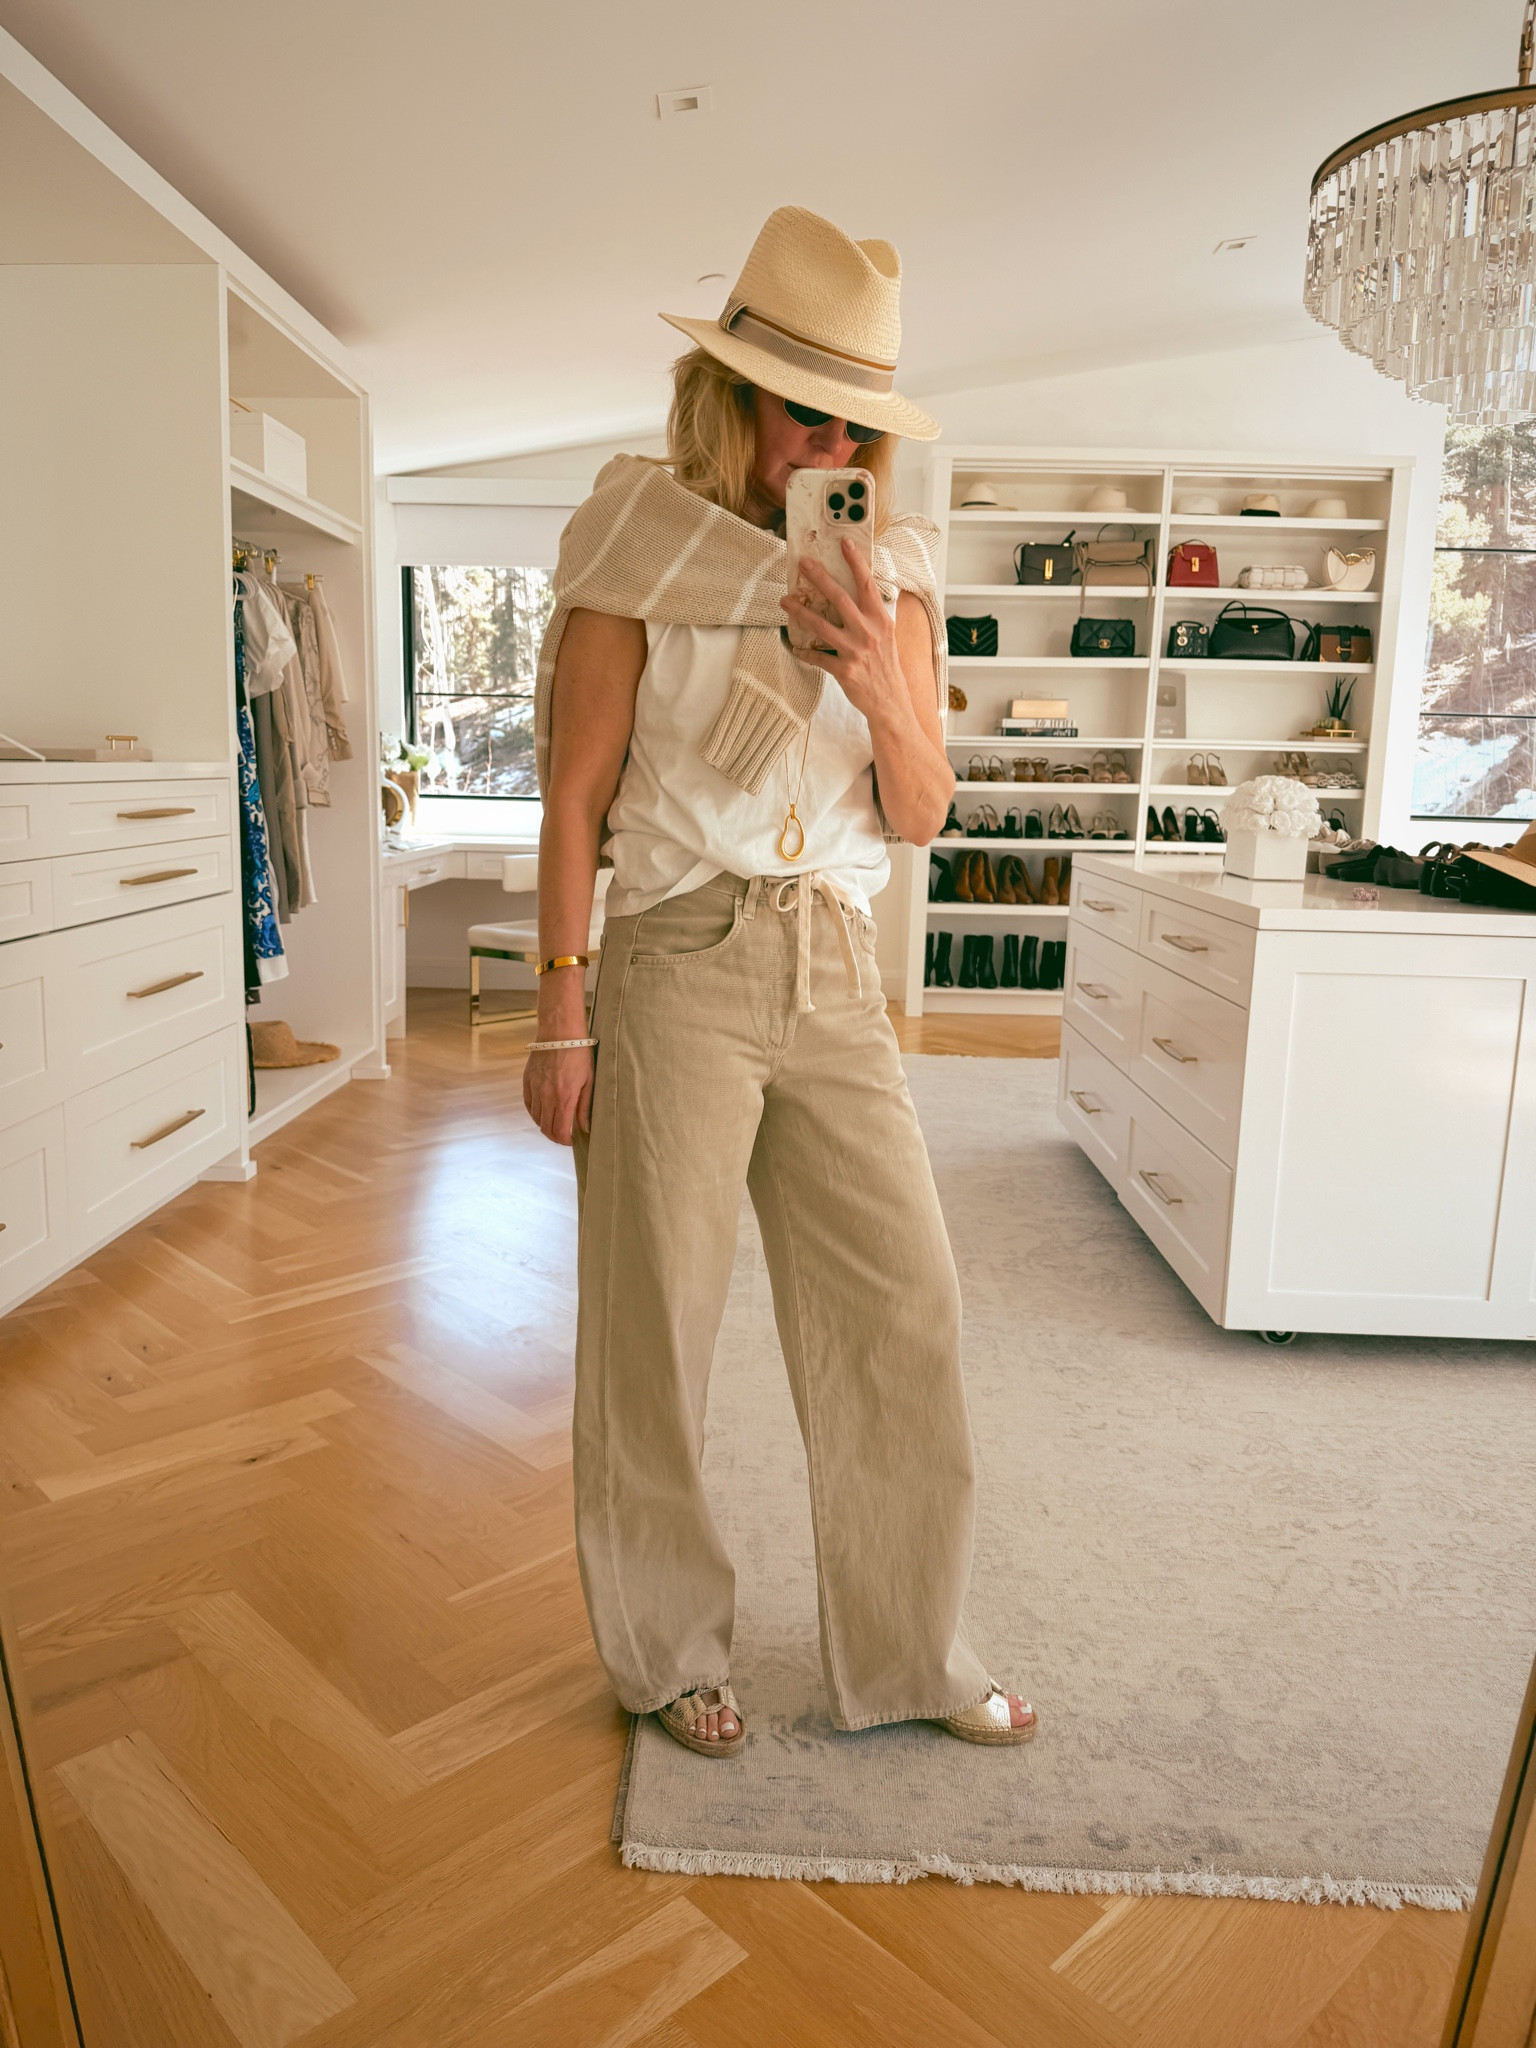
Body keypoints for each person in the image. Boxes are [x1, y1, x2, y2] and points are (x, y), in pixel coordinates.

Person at [524, 206, 1035, 1757]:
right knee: (653, 1331)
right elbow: (573, 790)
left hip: (832, 959)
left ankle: (907, 1650)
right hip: (677, 958)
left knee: (904, 1306)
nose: (832, 439)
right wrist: (561, 1017)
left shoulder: (902, 572)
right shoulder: (633, 539)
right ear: (731, 399)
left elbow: (926, 806)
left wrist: (882, 674)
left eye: (855, 418)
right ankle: (666, 1652)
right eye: (803, 406)